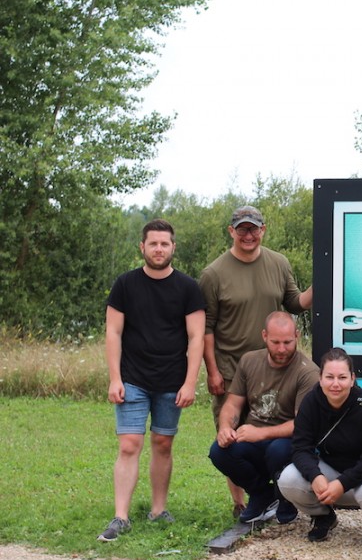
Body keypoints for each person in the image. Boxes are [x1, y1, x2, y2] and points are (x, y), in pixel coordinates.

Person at [200, 205, 313, 515]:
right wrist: (211, 370)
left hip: (278, 368)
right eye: (242, 229)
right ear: (231, 232)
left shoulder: (279, 263)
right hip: (231, 369)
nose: (248, 234)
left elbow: (295, 302)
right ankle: (242, 503)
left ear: (263, 229)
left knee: (274, 439)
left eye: (254, 228)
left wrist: (323, 282)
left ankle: (278, 495)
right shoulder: (213, 273)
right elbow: (205, 328)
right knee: (229, 439)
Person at [99, 219, 205, 541]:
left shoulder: (188, 288)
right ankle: (121, 517)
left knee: (163, 443)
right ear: (142, 247)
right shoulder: (125, 285)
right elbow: (113, 332)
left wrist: (190, 383)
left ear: (173, 248)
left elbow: (197, 337)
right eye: (153, 243)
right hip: (132, 378)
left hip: (172, 381)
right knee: (129, 445)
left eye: (165, 244)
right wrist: (115, 378)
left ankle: (159, 510)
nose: (159, 249)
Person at [208, 311, 319, 525]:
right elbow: (232, 404)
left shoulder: (308, 372)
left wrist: (260, 433)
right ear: (264, 336)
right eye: (275, 342)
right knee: (219, 452)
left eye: (287, 342)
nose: (281, 349)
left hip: (288, 442)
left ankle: (285, 496)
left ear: (297, 336)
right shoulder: (249, 361)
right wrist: (224, 428)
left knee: (277, 450)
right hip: (253, 437)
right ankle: (261, 494)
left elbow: (302, 425)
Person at [278, 348, 362, 544]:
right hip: (329, 470)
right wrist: (315, 476)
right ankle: (323, 516)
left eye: (342, 377)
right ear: (320, 378)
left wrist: (343, 483)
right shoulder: (311, 401)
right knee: (288, 479)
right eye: (329, 377)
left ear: (352, 378)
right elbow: (300, 448)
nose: (335, 384)